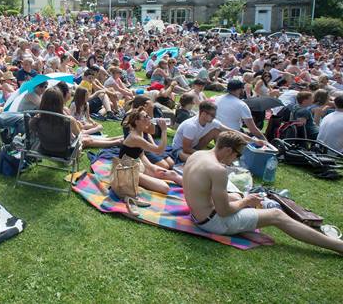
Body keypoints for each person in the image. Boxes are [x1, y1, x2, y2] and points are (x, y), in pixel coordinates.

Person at [183, 131, 343, 255]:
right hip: (213, 223)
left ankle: (243, 228)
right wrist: (246, 202)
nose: (236, 159)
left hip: (197, 216)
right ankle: (338, 246)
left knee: (236, 197)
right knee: (276, 215)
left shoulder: (198, 155)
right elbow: (224, 211)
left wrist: (241, 200)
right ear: (227, 150)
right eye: (237, 154)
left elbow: (203, 190)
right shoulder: (217, 170)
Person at [170, 101, 264, 163]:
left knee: (216, 131)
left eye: (215, 115)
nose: (214, 117)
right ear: (203, 114)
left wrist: (254, 141)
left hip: (195, 146)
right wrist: (206, 155)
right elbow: (186, 149)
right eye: (212, 115)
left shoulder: (212, 122)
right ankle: (214, 157)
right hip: (180, 150)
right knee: (197, 161)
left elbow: (232, 131)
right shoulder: (191, 126)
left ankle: (221, 155)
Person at [120, 109, 181, 191]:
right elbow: (159, 151)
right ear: (137, 122)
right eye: (145, 117)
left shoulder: (140, 132)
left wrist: (152, 167)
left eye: (148, 116)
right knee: (165, 188)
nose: (149, 118)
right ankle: (138, 180)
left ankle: (195, 188)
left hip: (138, 165)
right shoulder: (135, 137)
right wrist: (164, 130)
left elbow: (141, 154)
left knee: (173, 174)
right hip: (128, 170)